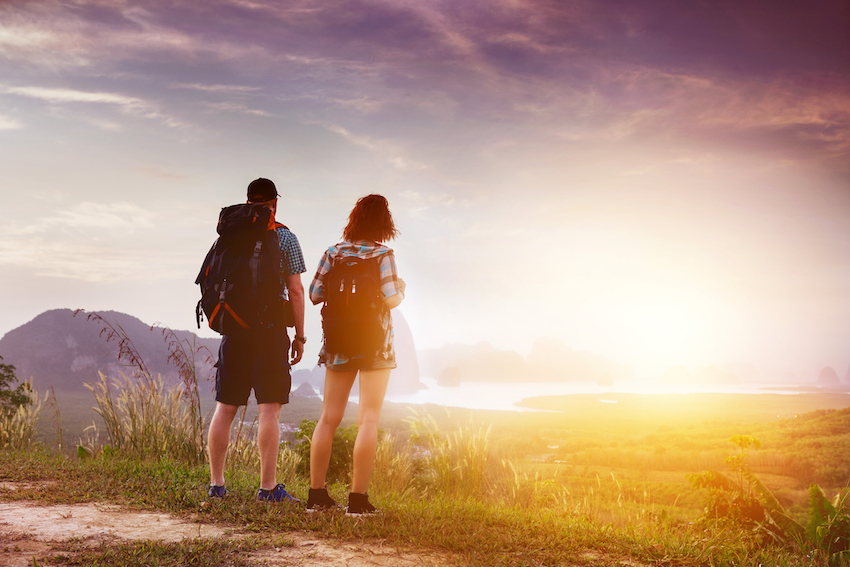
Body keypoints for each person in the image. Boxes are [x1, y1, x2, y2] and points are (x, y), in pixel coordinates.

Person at [207, 178, 307, 502]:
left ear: (249, 202)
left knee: (225, 408)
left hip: (234, 329)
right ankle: (267, 489)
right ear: (275, 203)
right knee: (269, 411)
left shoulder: (231, 234)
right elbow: (295, 290)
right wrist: (300, 336)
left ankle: (217, 485)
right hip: (269, 330)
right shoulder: (285, 237)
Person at [306, 194, 405, 515]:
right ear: (384, 223)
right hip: (376, 346)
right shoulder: (383, 254)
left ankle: (316, 496)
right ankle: (357, 501)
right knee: (369, 419)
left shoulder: (333, 253)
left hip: (338, 343)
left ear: (354, 219)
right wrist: (401, 288)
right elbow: (391, 300)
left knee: (328, 419)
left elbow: (315, 294)